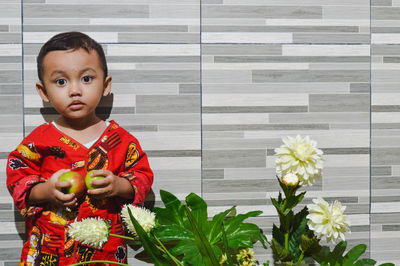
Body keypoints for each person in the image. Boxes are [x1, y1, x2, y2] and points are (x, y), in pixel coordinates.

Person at [6, 31, 154, 265]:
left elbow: (142, 177)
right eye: (61, 82)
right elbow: (17, 179)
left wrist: (119, 185)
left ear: (105, 85)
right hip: (50, 252)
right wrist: (46, 191)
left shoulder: (122, 140)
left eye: (86, 79)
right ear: (44, 92)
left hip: (105, 254)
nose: (75, 90)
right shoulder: (38, 140)